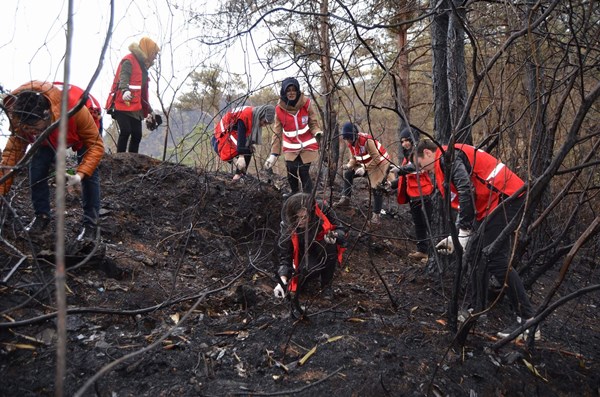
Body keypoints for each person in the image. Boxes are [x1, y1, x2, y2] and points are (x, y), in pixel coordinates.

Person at [415, 139, 539, 340]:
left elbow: (466, 189)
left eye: (424, 166)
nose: (426, 172)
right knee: (475, 254)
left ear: (428, 153)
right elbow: (465, 196)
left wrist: (463, 232)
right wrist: (459, 233)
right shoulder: (447, 158)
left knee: (494, 258)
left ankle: (528, 321)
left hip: (506, 198)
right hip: (497, 202)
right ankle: (476, 309)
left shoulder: (447, 158)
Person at [0, 81, 104, 241]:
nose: (32, 133)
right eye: (27, 129)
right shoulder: (19, 116)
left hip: (82, 126)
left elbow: (96, 146)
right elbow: (11, 158)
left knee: (90, 174)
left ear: (47, 114)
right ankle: (41, 216)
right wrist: (2, 190)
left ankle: (91, 225)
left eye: (35, 128)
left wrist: (80, 175)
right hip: (50, 134)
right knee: (36, 166)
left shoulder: (75, 109)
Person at [273, 193, 347, 298]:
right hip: (302, 254)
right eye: (297, 218)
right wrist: (282, 280)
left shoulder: (322, 209)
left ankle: (326, 286)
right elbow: (285, 256)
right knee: (306, 274)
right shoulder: (287, 226)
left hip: (322, 247)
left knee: (330, 246)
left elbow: (341, 229)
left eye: (304, 217)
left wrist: (335, 235)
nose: (300, 221)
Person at [264, 77, 323, 194]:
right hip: (291, 146)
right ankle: (295, 194)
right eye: (288, 90)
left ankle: (308, 198)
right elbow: (277, 133)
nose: (291, 93)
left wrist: (317, 132)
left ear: (297, 91)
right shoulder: (279, 109)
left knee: (303, 171)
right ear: (284, 92)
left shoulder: (306, 103)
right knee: (291, 170)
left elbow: (313, 123)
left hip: (307, 145)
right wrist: (274, 154)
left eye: (293, 90)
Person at [105, 36, 160, 153]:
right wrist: (125, 90)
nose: (155, 57)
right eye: (154, 53)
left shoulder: (143, 68)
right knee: (126, 131)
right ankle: (119, 159)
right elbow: (123, 76)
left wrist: (150, 111)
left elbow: (142, 94)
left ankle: (132, 160)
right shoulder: (129, 60)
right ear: (148, 51)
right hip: (122, 102)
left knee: (137, 134)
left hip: (135, 107)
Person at [334, 122, 393, 225]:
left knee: (376, 187)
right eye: (346, 138)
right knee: (348, 173)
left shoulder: (367, 141)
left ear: (354, 135)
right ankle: (345, 199)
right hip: (366, 164)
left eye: (349, 138)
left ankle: (376, 215)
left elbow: (376, 158)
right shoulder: (350, 143)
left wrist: (364, 168)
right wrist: (349, 165)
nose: (348, 141)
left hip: (381, 163)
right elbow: (354, 157)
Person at [391, 127, 434, 262]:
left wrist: (400, 169)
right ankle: (422, 251)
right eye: (402, 141)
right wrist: (391, 184)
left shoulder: (420, 154)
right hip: (413, 196)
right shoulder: (406, 157)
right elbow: (406, 176)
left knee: (429, 224)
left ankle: (433, 254)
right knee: (419, 224)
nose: (404, 144)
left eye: (407, 140)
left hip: (424, 195)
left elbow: (416, 167)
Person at [212, 104, 276, 180]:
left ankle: (241, 174)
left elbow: (245, 134)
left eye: (267, 124)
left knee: (248, 149)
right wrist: (241, 156)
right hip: (222, 134)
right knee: (244, 149)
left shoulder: (254, 115)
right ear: (261, 115)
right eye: (265, 122)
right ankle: (237, 176)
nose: (264, 125)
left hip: (232, 131)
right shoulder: (246, 115)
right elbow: (241, 134)